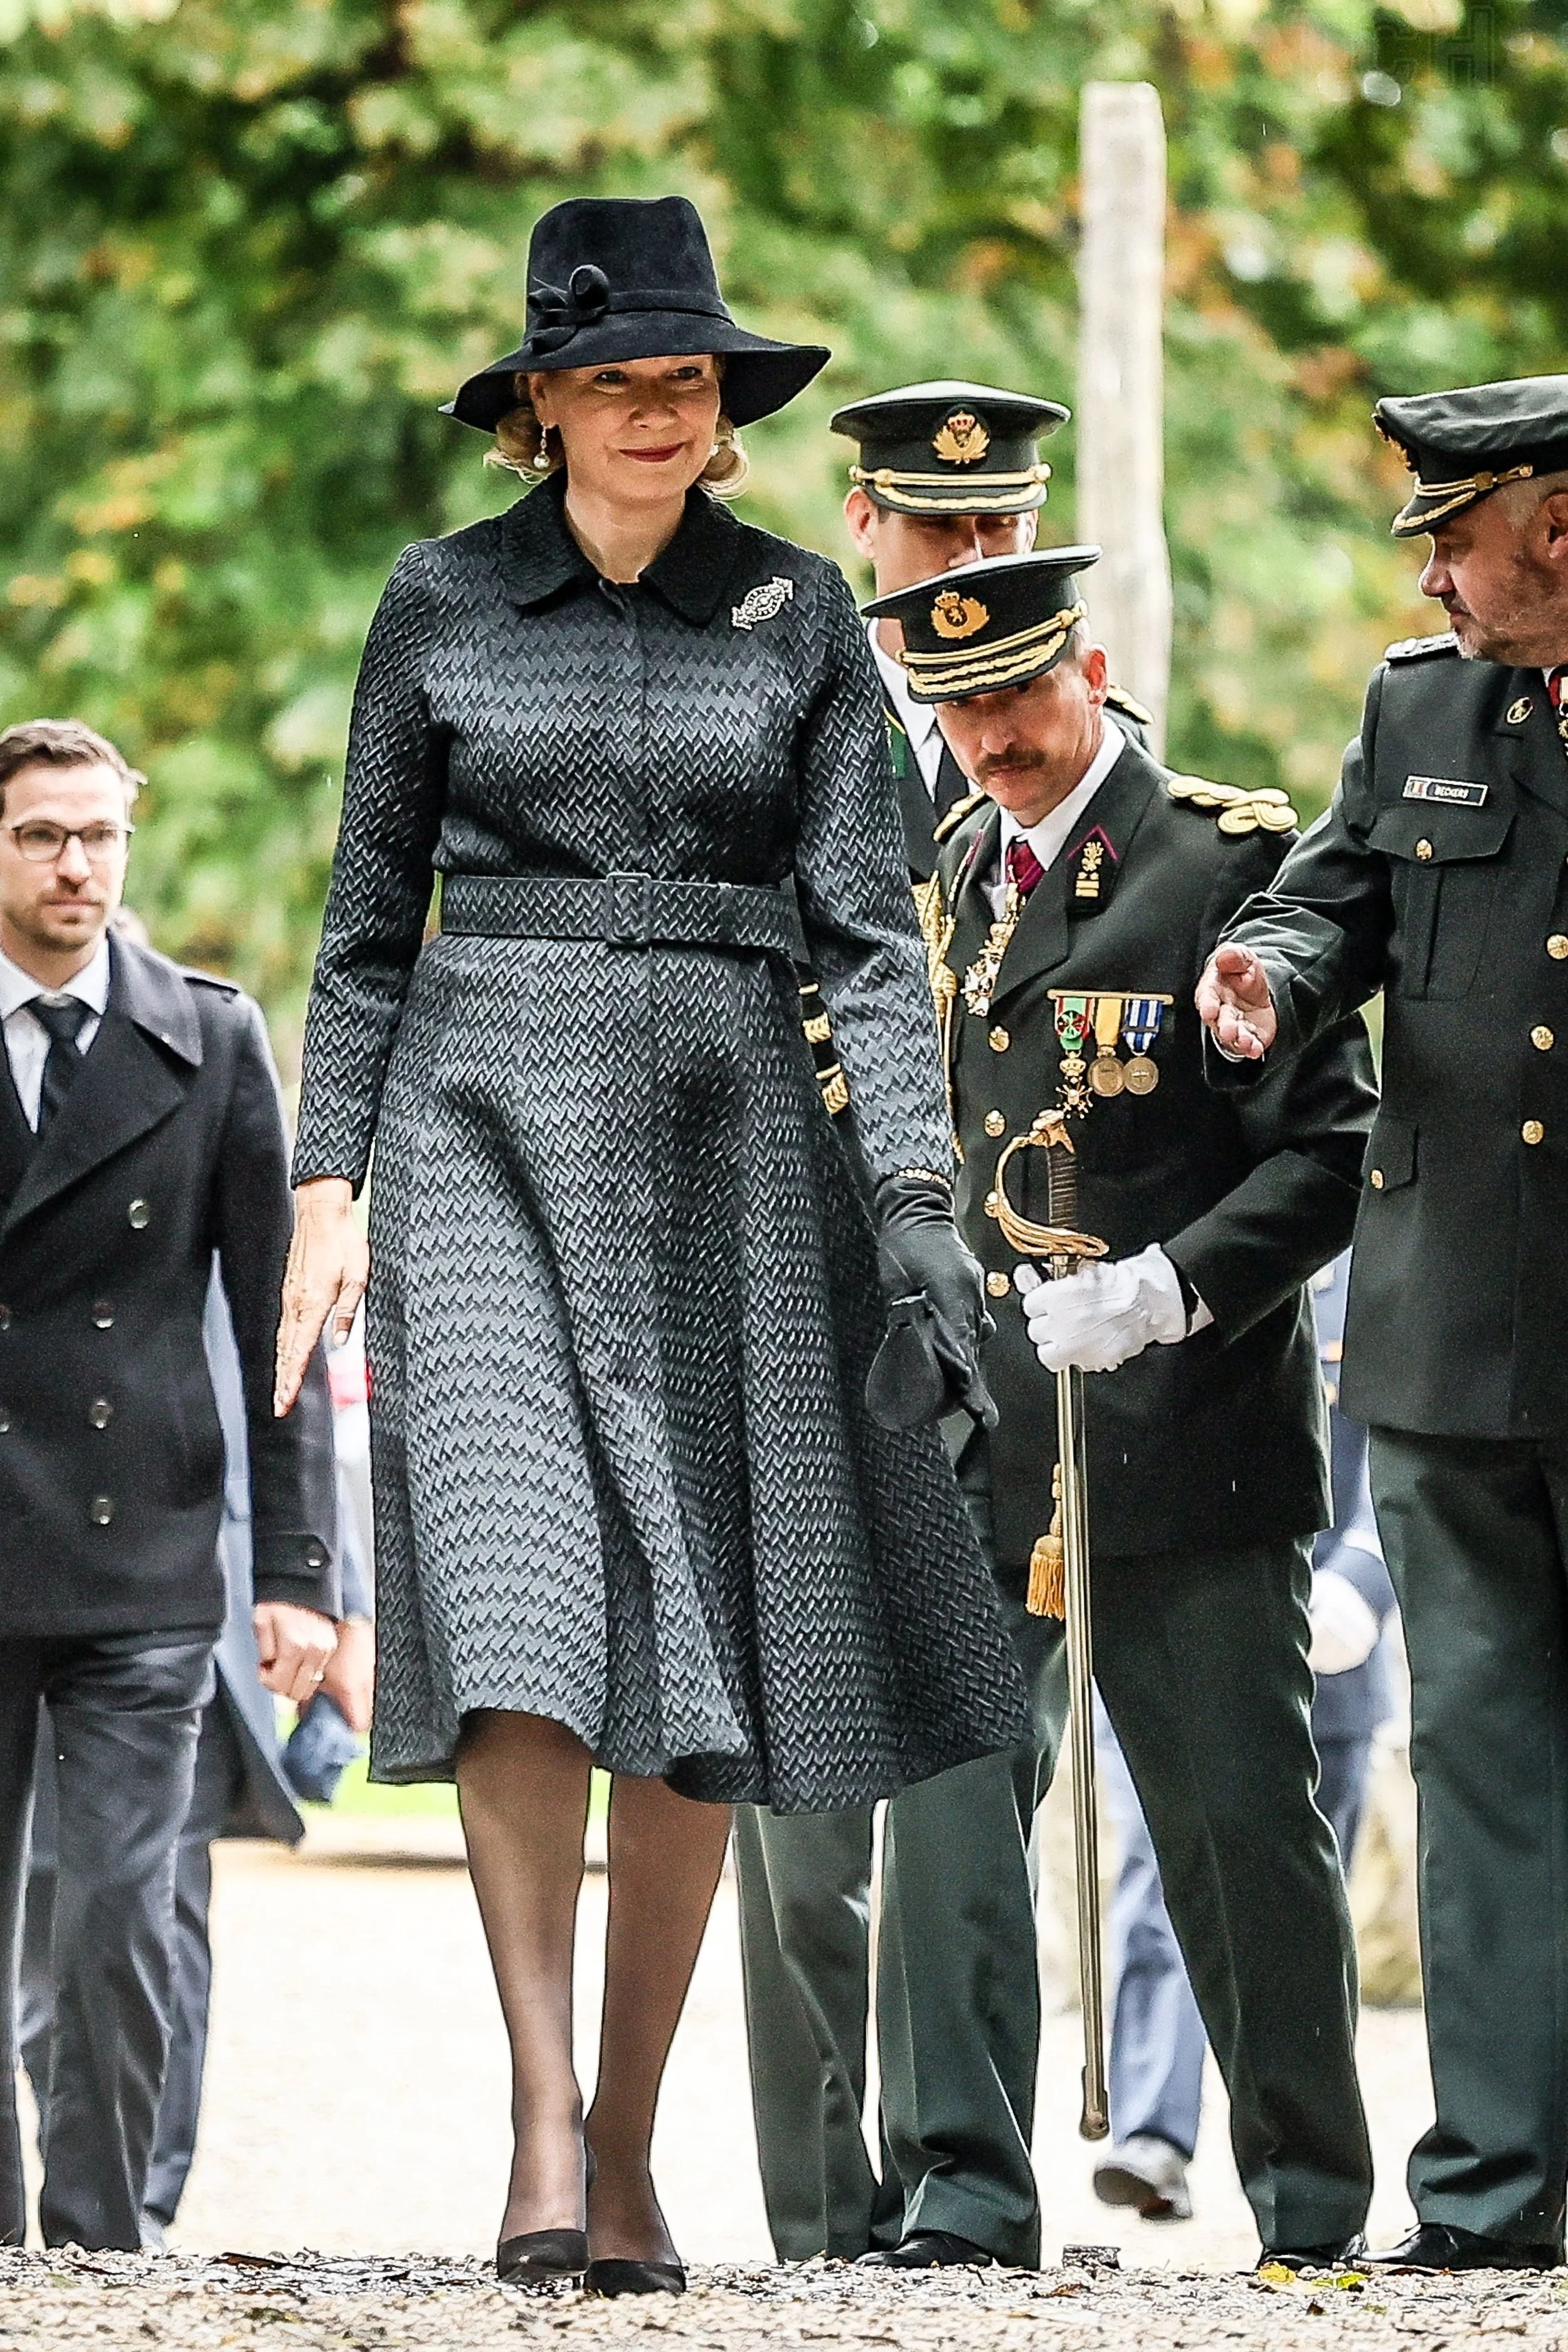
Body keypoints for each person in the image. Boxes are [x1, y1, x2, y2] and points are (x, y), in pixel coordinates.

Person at [270, 194, 1027, 2299]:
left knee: (688, 1650)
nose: (655, 414)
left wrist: (913, 1208)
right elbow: (359, 934)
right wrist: (329, 1184)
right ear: (540, 407)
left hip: (727, 1152)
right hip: (481, 1123)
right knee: (517, 1607)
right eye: (615, 382)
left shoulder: (801, 622)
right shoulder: (434, 605)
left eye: (687, 383)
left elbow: (876, 946)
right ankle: (534, 2112)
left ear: (722, 411)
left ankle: (628, 2138)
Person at [865, 546, 1380, 2269]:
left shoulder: (1226, 861)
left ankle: (1306, 2202)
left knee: (1236, 1828)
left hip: (1183, 1423)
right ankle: (962, 2193)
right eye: (958, 707)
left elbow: (1329, 1152)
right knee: (944, 1814)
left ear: (1086, 665)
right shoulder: (947, 865)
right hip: (982, 1431)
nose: (991, 739)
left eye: (1016, 695)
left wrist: (1170, 1284)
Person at [736, 376, 1120, 2272]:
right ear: (861, 525)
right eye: (934, 531)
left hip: (1004, 1358)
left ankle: (961, 2200)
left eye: (999, 533)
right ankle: (823, 2220)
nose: (966, 567)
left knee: (977, 1799)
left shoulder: (1075, 772)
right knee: (802, 1821)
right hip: (803, 1330)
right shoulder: (775, 719)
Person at [1195, 373, 1568, 2274]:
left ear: (1555, 526)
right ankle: (1494, 2194)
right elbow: (1326, 897)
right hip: (1449, 1330)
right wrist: (1261, 966)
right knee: (1484, 1753)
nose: (1423, 570)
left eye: (1449, 530)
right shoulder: (1413, 709)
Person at [0, 717, 339, 2252]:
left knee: (123, 1917)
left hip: (144, 1549)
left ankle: (97, 2236)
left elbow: (282, 1325)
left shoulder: (206, 1040)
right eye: (39, 837)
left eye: (98, 836)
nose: (75, 865)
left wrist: (301, 1578)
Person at [18, 1268, 374, 2245]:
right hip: (30, 1540)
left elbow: (281, 1341)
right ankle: (76, 2163)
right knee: (45, 1899)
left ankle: (134, 2202)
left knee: (152, 1901)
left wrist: (326, 1584)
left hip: (182, 1573)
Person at [1091, 1253, 1398, 2226]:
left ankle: (1291, 2137)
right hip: (1190, 1601)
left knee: (1287, 1902)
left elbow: (1401, 1459)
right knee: (1162, 1860)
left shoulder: (1374, 1277)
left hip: (1334, 1644)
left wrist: (1361, 1580)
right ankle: (1152, 2127)